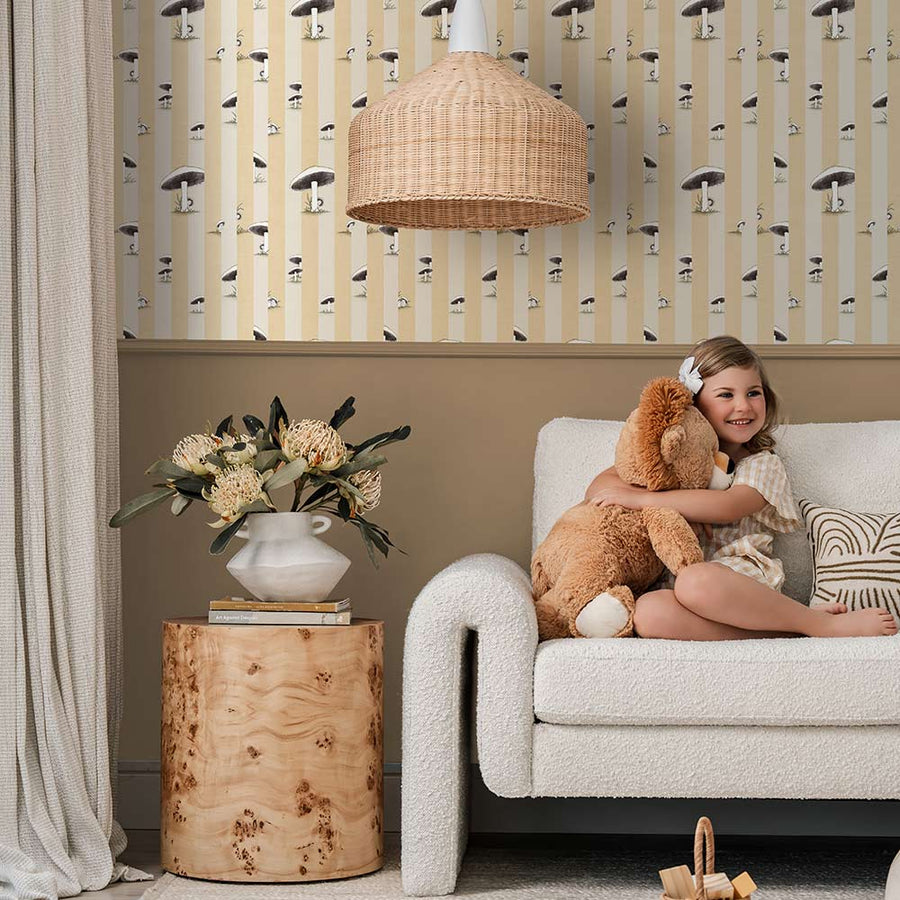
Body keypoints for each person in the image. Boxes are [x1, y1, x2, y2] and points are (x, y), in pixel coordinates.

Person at [584, 335, 897, 640]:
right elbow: (599, 489)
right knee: (647, 612)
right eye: (726, 395)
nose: (743, 406)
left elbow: (727, 506)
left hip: (740, 580)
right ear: (694, 404)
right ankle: (785, 632)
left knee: (696, 581)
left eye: (753, 393)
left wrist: (643, 500)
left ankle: (816, 623)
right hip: (680, 581)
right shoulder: (674, 459)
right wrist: (641, 493)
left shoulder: (761, 463)